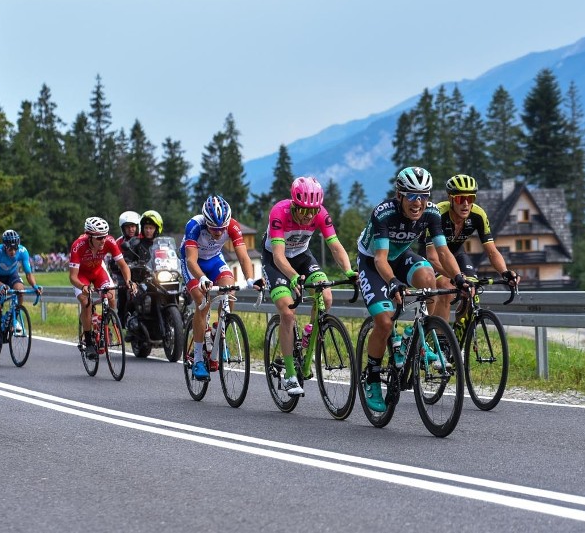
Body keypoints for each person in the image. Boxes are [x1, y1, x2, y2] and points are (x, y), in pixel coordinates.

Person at [355, 167, 472, 412]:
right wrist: (393, 282)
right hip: (374, 262)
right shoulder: (384, 214)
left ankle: (412, 336)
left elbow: (443, 252)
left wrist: (459, 278)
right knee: (385, 323)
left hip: (400, 256)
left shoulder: (431, 214)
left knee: (429, 277)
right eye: (411, 196)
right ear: (399, 195)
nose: (418, 203)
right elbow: (380, 259)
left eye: (423, 196)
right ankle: (373, 377)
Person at [261, 177, 357, 396]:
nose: (307, 216)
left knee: (327, 296)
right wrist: (294, 277)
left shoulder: (321, 214)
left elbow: (335, 246)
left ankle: (310, 334)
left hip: (302, 256)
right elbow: (277, 256)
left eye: (312, 211)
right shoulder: (279, 212)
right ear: (294, 204)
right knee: (287, 312)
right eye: (302, 210)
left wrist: (348, 271)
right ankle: (290, 374)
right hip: (276, 261)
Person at [421, 174, 520, 334]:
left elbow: (492, 251)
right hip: (433, 256)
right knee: (447, 288)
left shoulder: (478, 215)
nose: (466, 204)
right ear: (450, 198)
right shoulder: (437, 213)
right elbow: (433, 257)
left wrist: (505, 272)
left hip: (457, 253)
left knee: (472, 290)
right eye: (460, 199)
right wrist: (457, 277)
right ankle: (441, 340)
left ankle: (458, 340)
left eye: (470, 198)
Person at [180, 196, 261, 381]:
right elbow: (191, 260)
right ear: (206, 222)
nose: (218, 233)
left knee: (229, 292)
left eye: (221, 229)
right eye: (214, 229)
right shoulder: (194, 225)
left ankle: (218, 332)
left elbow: (243, 257)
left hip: (215, 260)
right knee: (203, 302)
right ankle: (199, 358)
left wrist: (250, 279)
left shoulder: (232, 225)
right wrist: (202, 278)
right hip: (193, 264)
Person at [68, 217, 136, 360]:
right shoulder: (78, 246)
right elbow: (73, 277)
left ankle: (105, 327)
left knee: (111, 295)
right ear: (89, 236)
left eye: (104, 236)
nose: (103, 240)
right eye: (99, 238)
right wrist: (83, 286)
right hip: (81, 275)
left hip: (98, 271)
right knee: (86, 302)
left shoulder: (109, 241)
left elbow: (123, 265)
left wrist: (129, 281)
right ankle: (88, 342)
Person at [0, 229, 43, 351]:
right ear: (4, 246)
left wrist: (35, 286)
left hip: (11, 275)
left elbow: (28, 273)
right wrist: (0, 286)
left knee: (20, 290)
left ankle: (15, 317)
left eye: (15, 248)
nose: (13, 252)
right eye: (10, 249)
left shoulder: (23, 251)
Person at [122, 209, 164, 339]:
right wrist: (130, 263)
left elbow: (174, 257)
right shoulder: (136, 243)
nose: (148, 230)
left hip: (160, 279)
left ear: (157, 228)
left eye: (151, 228)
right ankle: (130, 324)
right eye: (146, 227)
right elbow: (127, 258)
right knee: (134, 295)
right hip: (143, 280)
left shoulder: (163, 244)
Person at [112, 210, 140, 327]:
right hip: (124, 273)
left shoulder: (143, 239)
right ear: (123, 228)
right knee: (124, 291)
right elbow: (114, 262)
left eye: (133, 226)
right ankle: (122, 321)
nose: (131, 229)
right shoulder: (118, 242)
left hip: (141, 272)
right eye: (128, 227)